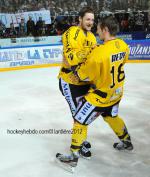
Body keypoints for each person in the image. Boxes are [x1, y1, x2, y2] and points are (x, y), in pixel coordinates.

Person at [56, 15, 133, 173]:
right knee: (112, 117)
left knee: (79, 119)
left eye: (98, 29)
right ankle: (126, 142)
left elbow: (83, 76)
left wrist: (74, 64)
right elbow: (121, 62)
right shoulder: (124, 45)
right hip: (116, 94)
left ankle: (73, 156)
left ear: (105, 29)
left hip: (100, 97)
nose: (96, 31)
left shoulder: (99, 53)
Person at [58, 6, 97, 159]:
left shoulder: (92, 37)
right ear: (80, 19)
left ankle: (81, 140)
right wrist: (90, 52)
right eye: (88, 19)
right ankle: (78, 146)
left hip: (85, 83)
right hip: (70, 82)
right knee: (79, 116)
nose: (90, 22)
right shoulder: (71, 33)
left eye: (92, 20)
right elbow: (72, 57)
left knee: (83, 115)